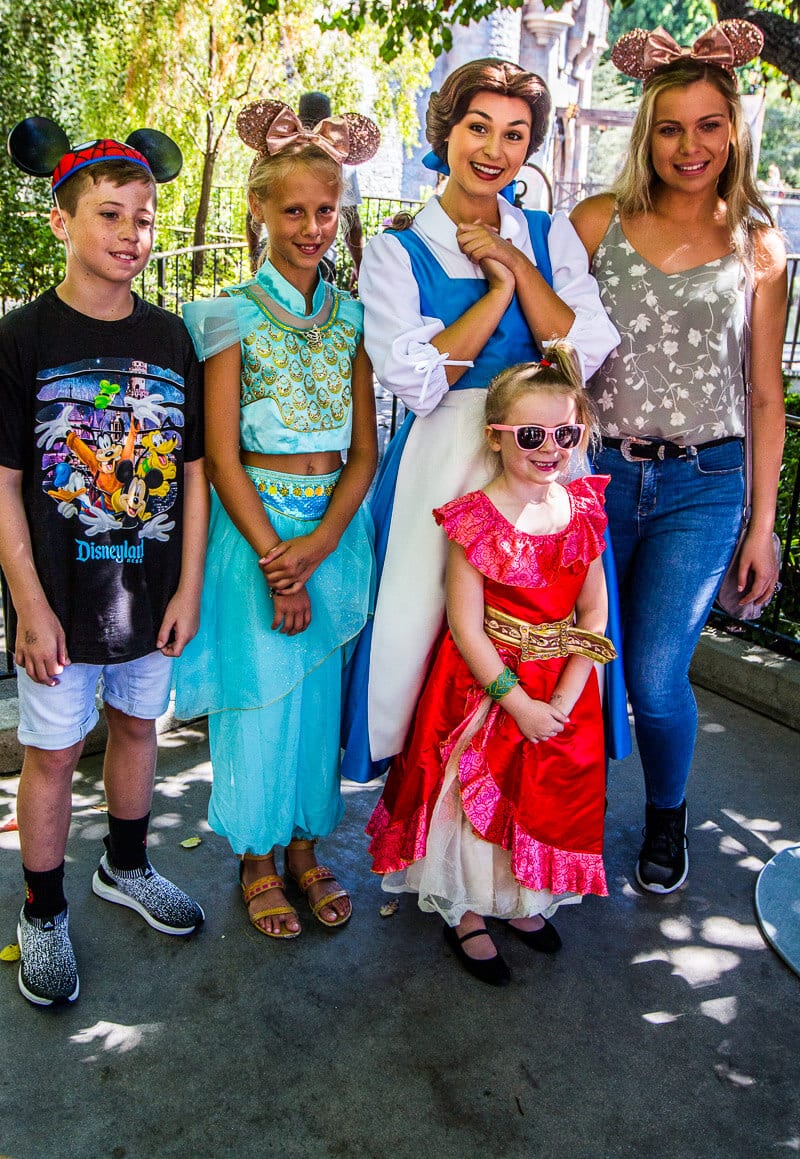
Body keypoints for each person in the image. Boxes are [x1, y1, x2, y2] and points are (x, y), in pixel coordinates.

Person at [341, 56, 626, 784]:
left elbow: (580, 356)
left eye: (514, 133)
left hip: (544, 465)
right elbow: (417, 382)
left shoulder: (549, 235)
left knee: (546, 624)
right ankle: (434, 817)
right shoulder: (395, 250)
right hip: (445, 462)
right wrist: (497, 296)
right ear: (449, 130)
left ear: (530, 148)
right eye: (478, 127)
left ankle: (532, 812)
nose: (493, 150)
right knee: (425, 627)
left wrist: (515, 263)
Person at [570, 20, 787, 894]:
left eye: (707, 125)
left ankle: (667, 815)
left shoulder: (759, 244)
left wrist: (762, 524)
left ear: (733, 129)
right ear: (645, 134)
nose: (689, 145)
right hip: (597, 474)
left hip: (705, 482)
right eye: (670, 126)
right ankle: (563, 819)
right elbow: (549, 349)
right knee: (579, 659)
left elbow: (766, 392)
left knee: (655, 675)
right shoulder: (595, 222)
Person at [0, 119, 207, 1007]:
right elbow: (4, 484)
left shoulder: (171, 338)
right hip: (59, 597)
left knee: (137, 729)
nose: (132, 234)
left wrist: (189, 585)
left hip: (149, 590)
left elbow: (192, 475)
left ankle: (124, 866)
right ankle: (42, 911)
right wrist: (30, 605)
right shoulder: (20, 338)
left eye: (146, 217)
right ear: (61, 220)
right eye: (111, 214)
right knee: (51, 752)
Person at [175, 98, 379, 938]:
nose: (311, 226)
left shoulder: (355, 318)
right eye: (292, 209)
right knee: (258, 701)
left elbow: (364, 451)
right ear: (258, 210)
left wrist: (322, 544)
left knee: (315, 701)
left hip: (329, 531)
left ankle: (302, 845)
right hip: (254, 533)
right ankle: (254, 858)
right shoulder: (228, 316)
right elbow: (221, 458)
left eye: (325, 210)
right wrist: (276, 559)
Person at [367, 345, 614, 985]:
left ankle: (519, 898)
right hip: (483, 688)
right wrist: (516, 702)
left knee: (538, 793)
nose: (550, 446)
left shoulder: (584, 508)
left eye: (566, 432)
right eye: (531, 433)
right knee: (472, 799)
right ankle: (468, 907)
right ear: (496, 437)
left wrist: (561, 700)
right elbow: (464, 623)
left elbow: (593, 614)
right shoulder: (476, 518)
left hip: (561, 686)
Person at [298, 91, 367, 286]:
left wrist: (254, 254)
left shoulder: (277, 154)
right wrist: (358, 264)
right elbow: (351, 222)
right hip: (319, 256)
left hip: (275, 254)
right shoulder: (342, 165)